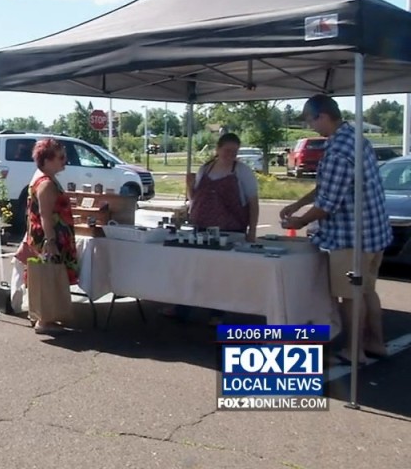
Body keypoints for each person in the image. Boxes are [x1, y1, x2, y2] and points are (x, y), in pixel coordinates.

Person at [281, 94, 392, 365]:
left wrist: (299, 221)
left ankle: (354, 351)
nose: (310, 127)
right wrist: (297, 204)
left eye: (310, 120)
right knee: (367, 291)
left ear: (322, 116)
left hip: (351, 237)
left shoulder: (338, 150)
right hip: (374, 234)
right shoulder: (357, 140)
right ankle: (375, 343)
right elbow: (329, 187)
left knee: (350, 296)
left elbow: (328, 203)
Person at [163, 132, 260, 324]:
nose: (230, 155)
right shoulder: (205, 169)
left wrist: (252, 231)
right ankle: (183, 306)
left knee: (220, 273)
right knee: (193, 269)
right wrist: (189, 185)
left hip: (230, 229)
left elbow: (253, 202)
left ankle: (217, 313)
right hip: (202, 226)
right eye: (227, 150)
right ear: (217, 149)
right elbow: (194, 199)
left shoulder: (241, 171)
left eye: (234, 151)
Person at [22, 137, 79, 335]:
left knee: (51, 276)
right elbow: (46, 216)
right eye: (60, 157)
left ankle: (46, 317)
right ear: (46, 160)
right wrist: (51, 241)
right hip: (49, 237)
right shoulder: (45, 183)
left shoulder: (47, 179)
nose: (64, 160)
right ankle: (44, 320)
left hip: (51, 235)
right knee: (47, 276)